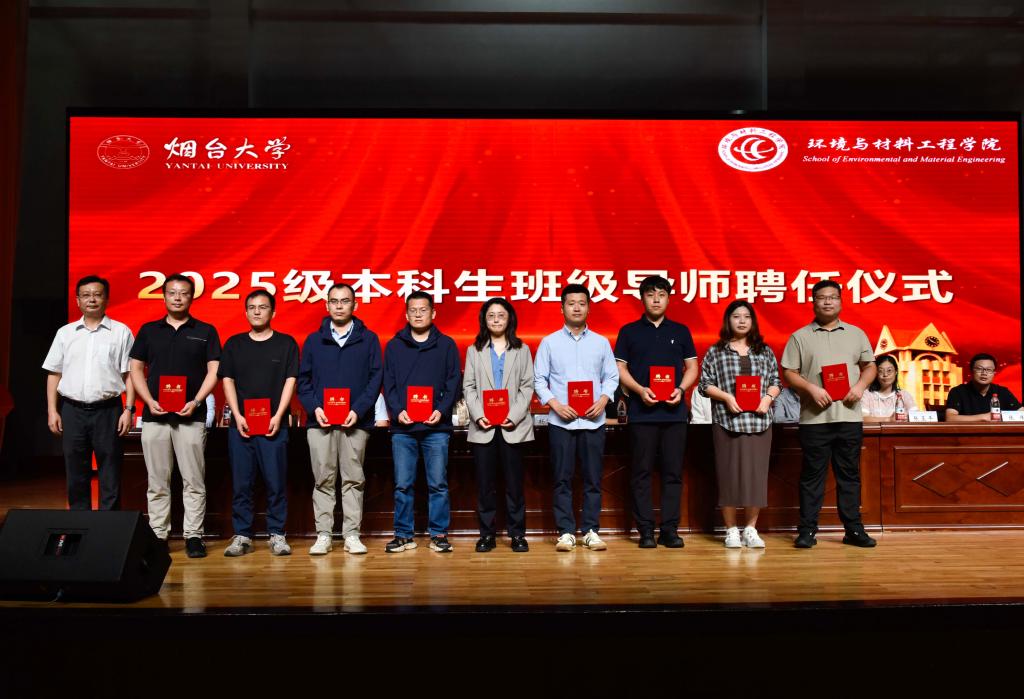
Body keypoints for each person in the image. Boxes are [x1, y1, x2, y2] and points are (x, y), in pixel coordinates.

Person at [129, 274, 221, 557]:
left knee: (194, 480)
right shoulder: (149, 330)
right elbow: (135, 369)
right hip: (155, 416)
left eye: (183, 293)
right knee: (157, 481)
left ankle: (194, 535)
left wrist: (196, 401)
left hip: (191, 416)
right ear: (164, 295)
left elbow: (214, 371)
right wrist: (149, 400)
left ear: (192, 297)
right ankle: (159, 535)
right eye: (172, 292)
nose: (178, 297)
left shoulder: (206, 330)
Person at [781, 280, 877, 549]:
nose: (827, 302)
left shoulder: (856, 333)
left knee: (849, 476)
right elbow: (789, 372)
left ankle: (853, 530)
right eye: (821, 297)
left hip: (848, 417)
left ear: (840, 301)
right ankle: (807, 531)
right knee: (812, 477)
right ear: (813, 302)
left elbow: (870, 366)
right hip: (814, 419)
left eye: (832, 297)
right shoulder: (800, 336)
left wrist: (860, 386)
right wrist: (811, 388)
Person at [297, 282, 382, 556]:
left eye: (345, 301)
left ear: (355, 305)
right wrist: (315, 408)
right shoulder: (314, 340)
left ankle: (351, 534)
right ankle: (323, 534)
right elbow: (303, 380)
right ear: (327, 305)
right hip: (320, 422)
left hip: (356, 422)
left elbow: (375, 379)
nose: (339, 306)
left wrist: (358, 409)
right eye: (334, 301)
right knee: (323, 479)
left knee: (353, 479)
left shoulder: (369, 339)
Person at [614, 275, 697, 549]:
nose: (656, 299)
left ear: (669, 298)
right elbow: (620, 369)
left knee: (673, 473)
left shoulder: (681, 331)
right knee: (641, 473)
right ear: (642, 299)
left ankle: (670, 530)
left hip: (674, 414)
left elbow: (692, 367)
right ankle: (646, 531)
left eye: (661, 294)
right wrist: (640, 390)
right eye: (650, 294)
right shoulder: (629, 331)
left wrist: (681, 389)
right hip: (642, 413)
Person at [535, 284, 619, 551]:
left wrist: (603, 400)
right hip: (561, 422)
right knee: (562, 478)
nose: (576, 308)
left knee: (593, 479)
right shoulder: (549, 343)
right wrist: (555, 405)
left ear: (589, 308)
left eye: (582, 303)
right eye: (571, 303)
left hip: (593, 421)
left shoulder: (601, 342)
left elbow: (612, 377)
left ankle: (591, 530)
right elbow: (539, 380)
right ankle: (566, 532)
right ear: (562, 308)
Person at [43, 275, 136, 511]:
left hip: (109, 410)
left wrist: (128, 409)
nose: (91, 299)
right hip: (72, 410)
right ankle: (79, 523)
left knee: (110, 471)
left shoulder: (121, 332)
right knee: (76, 471)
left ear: (106, 299)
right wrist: (52, 410)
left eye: (97, 295)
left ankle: (109, 526)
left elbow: (130, 374)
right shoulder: (65, 333)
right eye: (86, 295)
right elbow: (54, 373)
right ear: (77, 300)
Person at [218, 291, 299, 557]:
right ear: (245, 312)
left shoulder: (286, 344)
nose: (256, 311)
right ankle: (242, 535)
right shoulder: (234, 344)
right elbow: (227, 380)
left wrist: (278, 414)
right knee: (242, 483)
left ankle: (277, 534)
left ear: (272, 312)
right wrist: (237, 415)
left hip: (274, 424)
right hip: (240, 426)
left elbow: (290, 381)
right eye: (251, 307)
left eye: (262, 307)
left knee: (276, 482)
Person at [382, 291, 461, 553]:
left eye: (423, 309)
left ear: (433, 313)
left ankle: (438, 534)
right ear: (406, 315)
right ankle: (403, 535)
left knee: (438, 484)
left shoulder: (446, 345)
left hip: (436, 427)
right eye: (413, 310)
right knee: (402, 484)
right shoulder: (394, 346)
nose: (418, 314)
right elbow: (389, 383)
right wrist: (397, 411)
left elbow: (453, 382)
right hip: (403, 428)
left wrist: (441, 410)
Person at [698, 300, 781, 548]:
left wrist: (768, 398)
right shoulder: (716, 351)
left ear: (753, 321)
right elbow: (704, 384)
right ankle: (731, 529)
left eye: (746, 316)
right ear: (728, 320)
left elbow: (776, 381)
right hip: (727, 422)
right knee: (728, 476)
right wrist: (726, 397)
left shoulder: (764, 351)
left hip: (759, 421)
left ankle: (751, 529)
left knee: (756, 477)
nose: (742, 320)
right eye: (736, 316)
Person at [463, 298, 535, 553]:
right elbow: (469, 387)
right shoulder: (474, 350)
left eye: (501, 315)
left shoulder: (522, 349)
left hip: (513, 428)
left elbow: (527, 386)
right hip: (483, 428)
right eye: (491, 315)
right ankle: (487, 535)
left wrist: (513, 416)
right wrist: (479, 415)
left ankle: (518, 535)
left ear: (509, 319)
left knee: (515, 486)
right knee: (485, 486)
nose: (496, 320)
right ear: (484, 320)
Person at [945, 353, 1022, 421]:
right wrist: (984, 417)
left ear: (994, 373)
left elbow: (1021, 413)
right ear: (971, 371)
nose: (984, 373)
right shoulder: (957, 391)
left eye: (989, 370)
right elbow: (950, 418)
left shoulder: (1002, 391)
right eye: (979, 369)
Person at [862, 355, 919, 423]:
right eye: (880, 371)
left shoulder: (904, 395)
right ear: (876, 374)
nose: (885, 374)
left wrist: (906, 418)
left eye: (889, 370)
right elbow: (863, 419)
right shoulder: (867, 395)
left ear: (896, 372)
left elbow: (916, 417)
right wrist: (889, 419)